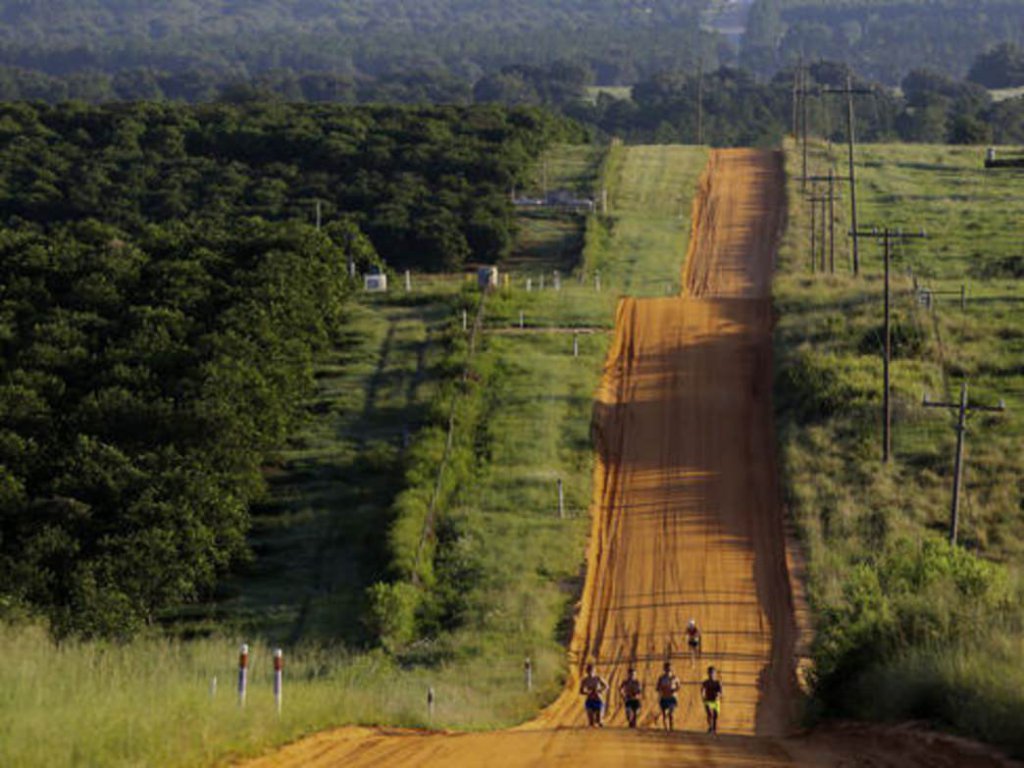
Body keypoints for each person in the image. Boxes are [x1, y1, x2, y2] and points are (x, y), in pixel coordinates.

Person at [579, 663, 609, 727]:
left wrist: (599, 690)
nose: (590, 672)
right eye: (589, 670)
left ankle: (601, 726)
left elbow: (606, 686)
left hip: (598, 700)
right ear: (587, 671)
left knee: (599, 721)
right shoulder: (585, 680)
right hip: (590, 700)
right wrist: (587, 692)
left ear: (595, 671)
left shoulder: (598, 678)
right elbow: (581, 691)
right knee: (591, 722)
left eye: (592, 670)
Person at [655, 661, 681, 731]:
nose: (668, 670)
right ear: (664, 669)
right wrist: (661, 689)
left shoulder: (675, 678)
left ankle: (671, 727)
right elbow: (657, 688)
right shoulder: (661, 678)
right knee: (664, 714)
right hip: (664, 698)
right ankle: (666, 728)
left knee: (671, 713)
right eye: (667, 669)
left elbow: (679, 687)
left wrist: (674, 690)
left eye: (669, 669)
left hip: (672, 698)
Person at [701, 666, 724, 735]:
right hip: (708, 700)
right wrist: (703, 696)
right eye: (710, 673)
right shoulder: (705, 682)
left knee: (715, 715)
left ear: (715, 674)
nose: (711, 674)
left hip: (716, 701)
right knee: (709, 714)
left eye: (713, 673)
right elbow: (702, 689)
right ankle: (710, 727)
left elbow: (721, 692)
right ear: (708, 673)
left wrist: (718, 694)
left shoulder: (718, 682)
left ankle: (714, 728)